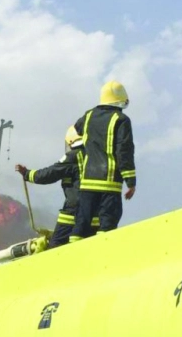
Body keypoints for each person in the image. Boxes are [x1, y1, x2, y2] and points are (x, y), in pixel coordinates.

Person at [69, 81, 136, 242]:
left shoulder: (89, 115)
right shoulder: (121, 120)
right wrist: (131, 182)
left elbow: (77, 128)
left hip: (87, 182)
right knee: (108, 222)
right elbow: (124, 151)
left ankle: (72, 254)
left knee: (81, 224)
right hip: (109, 183)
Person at [15, 127, 99, 248]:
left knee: (55, 246)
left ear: (70, 142)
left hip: (74, 212)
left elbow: (50, 173)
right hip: (97, 213)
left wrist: (28, 174)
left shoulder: (73, 156)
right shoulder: (98, 156)